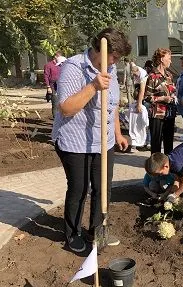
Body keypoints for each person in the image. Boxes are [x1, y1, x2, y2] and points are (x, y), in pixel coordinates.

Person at [51, 28, 131, 253]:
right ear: (99, 50)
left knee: (102, 188)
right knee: (78, 189)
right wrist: (93, 86)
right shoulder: (73, 67)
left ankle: (97, 230)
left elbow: (112, 105)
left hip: (103, 141)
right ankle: (72, 233)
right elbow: (66, 108)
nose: (115, 62)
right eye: (114, 56)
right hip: (75, 141)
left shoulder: (111, 69)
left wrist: (117, 134)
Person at [144, 48, 177, 155]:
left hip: (170, 113)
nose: (171, 61)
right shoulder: (152, 76)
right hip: (157, 114)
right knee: (156, 143)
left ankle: (168, 166)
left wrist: (173, 96)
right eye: (169, 58)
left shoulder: (169, 75)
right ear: (162, 59)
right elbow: (147, 97)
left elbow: (173, 90)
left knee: (169, 143)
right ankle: (155, 168)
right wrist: (162, 99)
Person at [128, 65, 149, 152]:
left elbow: (142, 91)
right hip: (139, 100)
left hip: (144, 98)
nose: (135, 77)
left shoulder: (143, 75)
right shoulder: (137, 73)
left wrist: (139, 104)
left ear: (138, 72)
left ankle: (147, 142)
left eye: (135, 75)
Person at [44, 52, 62, 118]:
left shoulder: (61, 65)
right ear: (55, 57)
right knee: (55, 104)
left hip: (61, 86)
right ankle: (55, 120)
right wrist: (48, 87)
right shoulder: (48, 65)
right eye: (59, 57)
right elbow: (46, 76)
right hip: (53, 86)